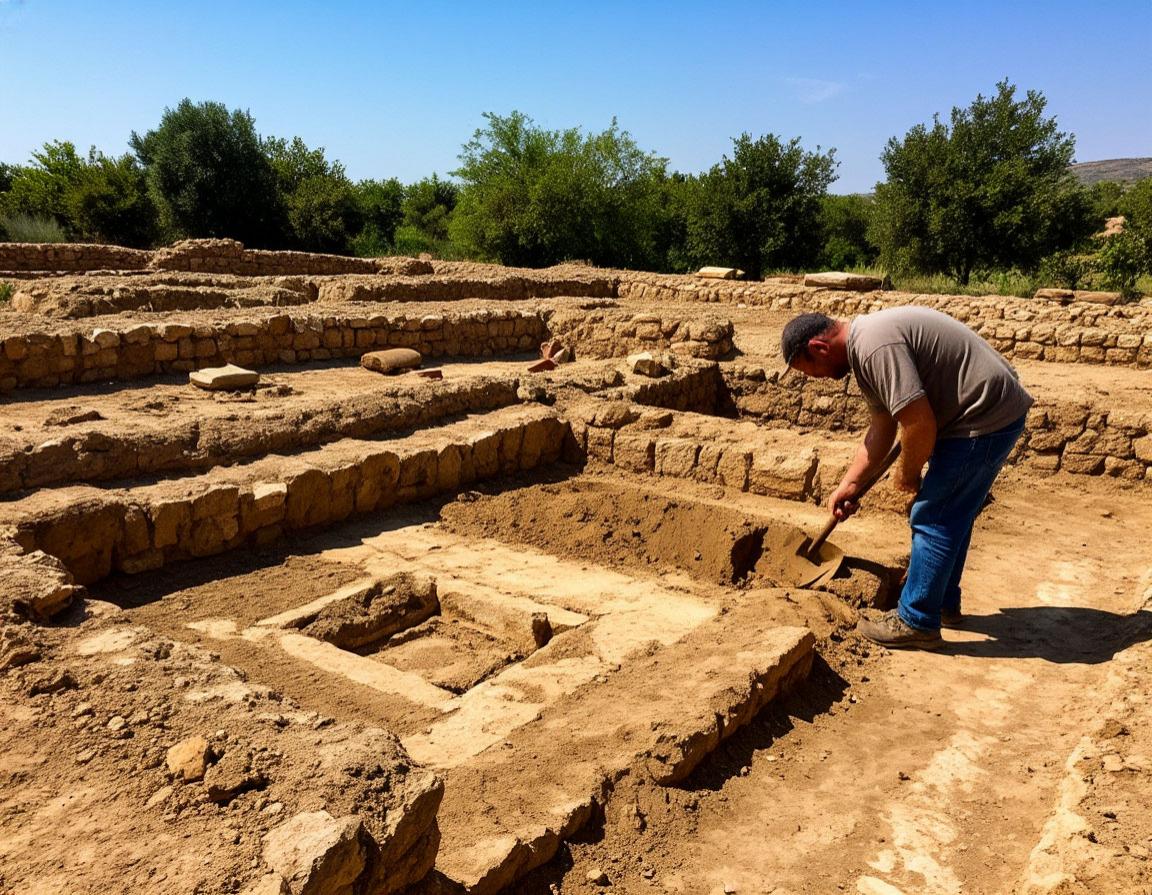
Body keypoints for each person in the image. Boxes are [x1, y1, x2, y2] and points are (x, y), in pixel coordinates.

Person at [780, 307, 1033, 649]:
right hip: (974, 413)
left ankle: (916, 621)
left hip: (982, 416)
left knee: (933, 515)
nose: (816, 378)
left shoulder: (874, 348)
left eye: (809, 371)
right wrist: (850, 484)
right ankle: (941, 601)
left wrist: (908, 476)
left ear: (820, 348)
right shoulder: (864, 350)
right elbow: (882, 427)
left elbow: (919, 424)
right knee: (951, 511)